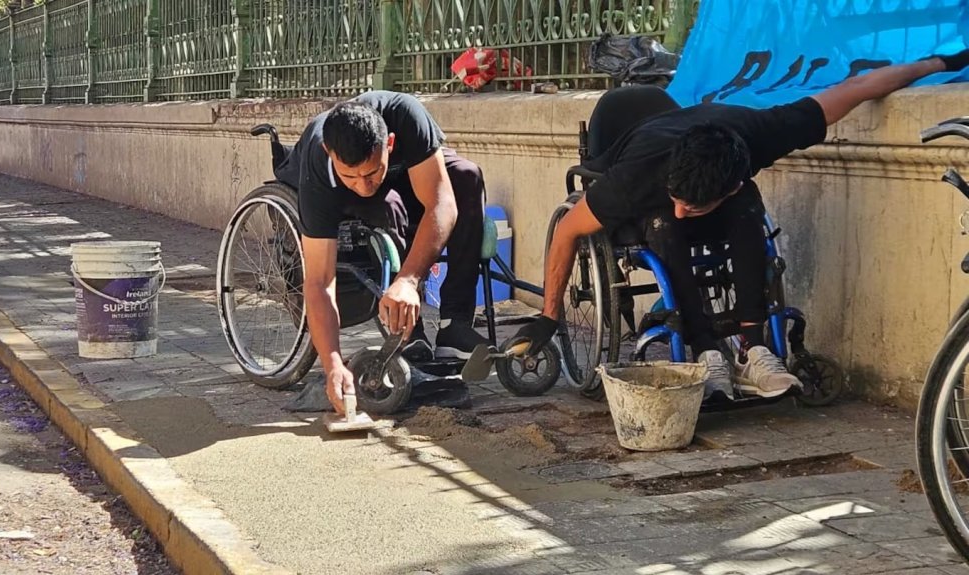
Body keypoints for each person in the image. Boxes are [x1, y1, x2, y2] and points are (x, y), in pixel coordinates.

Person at [510, 51, 969, 400]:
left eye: (694, 205)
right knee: (665, 226)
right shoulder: (636, 178)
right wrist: (550, 317)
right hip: (643, 207)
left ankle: (753, 349)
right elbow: (569, 230)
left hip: (728, 192)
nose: (682, 208)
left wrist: (944, 61)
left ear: (725, 187)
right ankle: (707, 349)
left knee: (751, 213)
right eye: (680, 199)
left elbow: (860, 88)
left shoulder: (763, 130)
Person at [280, 90, 490, 414]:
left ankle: (454, 324)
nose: (363, 183)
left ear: (389, 144)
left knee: (466, 176)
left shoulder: (407, 115)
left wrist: (407, 279)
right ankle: (408, 333)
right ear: (329, 152)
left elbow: (442, 204)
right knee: (389, 206)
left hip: (405, 170)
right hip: (343, 194)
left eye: (370, 172)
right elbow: (320, 281)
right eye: (351, 175)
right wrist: (333, 362)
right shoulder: (318, 165)